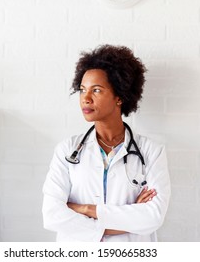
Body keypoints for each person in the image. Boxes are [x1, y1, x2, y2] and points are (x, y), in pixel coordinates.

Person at [42, 44, 171, 242]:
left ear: (119, 96)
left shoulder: (151, 152)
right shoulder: (67, 151)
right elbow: (52, 215)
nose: (85, 98)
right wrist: (129, 217)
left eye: (96, 90)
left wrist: (84, 209)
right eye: (82, 89)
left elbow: (152, 217)